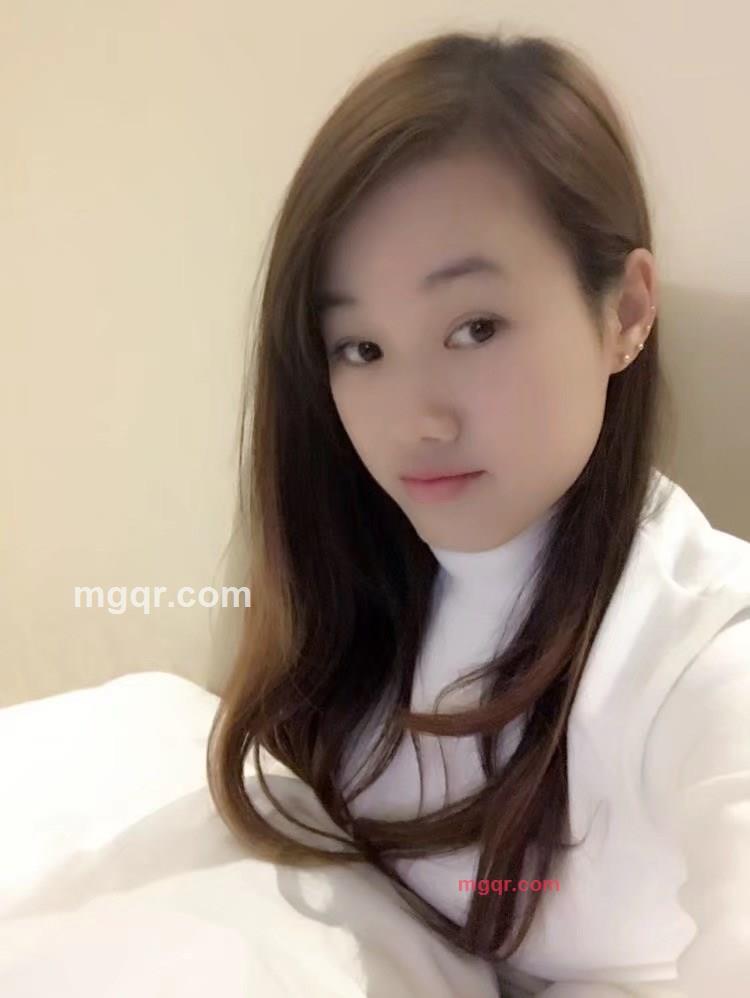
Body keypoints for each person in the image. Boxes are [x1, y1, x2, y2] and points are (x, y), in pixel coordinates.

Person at [206, 28, 750, 996]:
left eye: (474, 327)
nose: (417, 420)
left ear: (626, 312)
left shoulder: (701, 646)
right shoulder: (353, 574)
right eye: (362, 348)